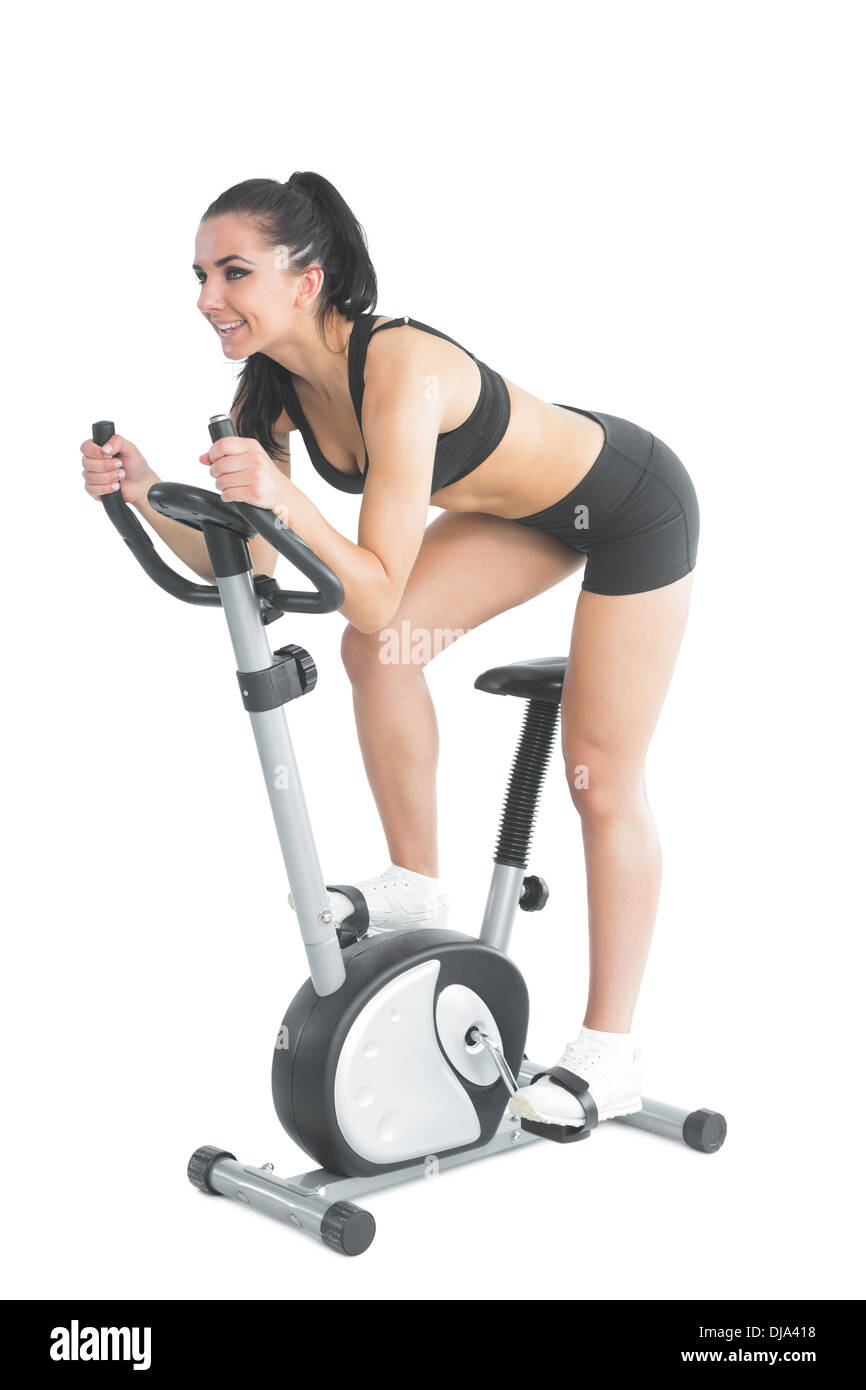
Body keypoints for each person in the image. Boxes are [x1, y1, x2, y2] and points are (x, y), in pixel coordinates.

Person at [81, 170, 700, 1134]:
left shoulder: (402, 369)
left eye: (233, 272)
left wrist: (288, 499)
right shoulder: (271, 390)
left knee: (599, 775)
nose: (208, 298)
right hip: (526, 518)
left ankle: (609, 1052)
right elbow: (244, 556)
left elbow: (366, 584)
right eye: (200, 276)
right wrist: (145, 490)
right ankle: (416, 882)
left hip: (629, 506)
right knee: (380, 653)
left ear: (307, 280)